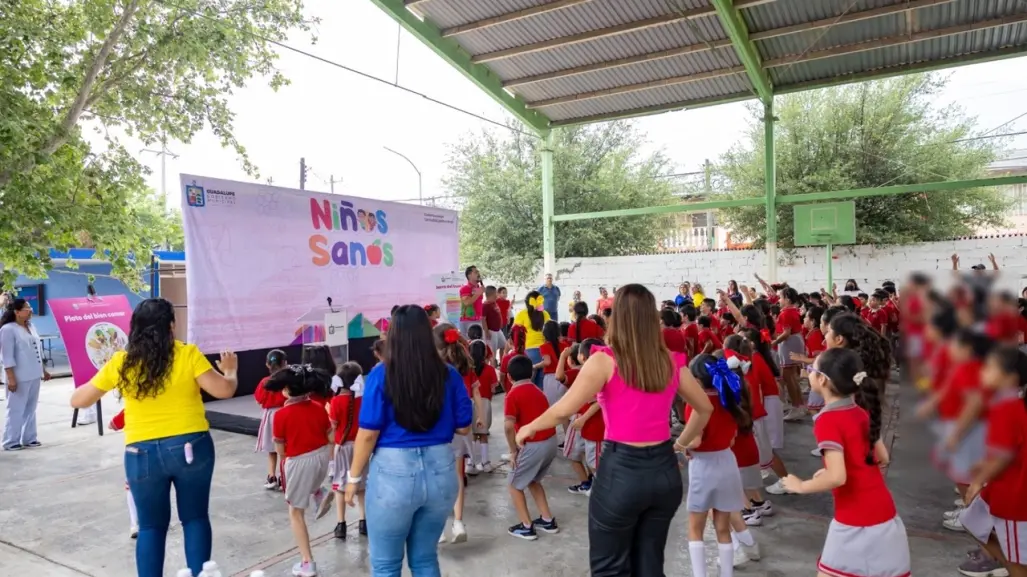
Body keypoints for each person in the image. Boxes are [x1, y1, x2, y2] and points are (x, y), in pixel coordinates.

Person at [515, 284, 715, 576]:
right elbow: (705, 408)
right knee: (650, 564)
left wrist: (529, 428)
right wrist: (680, 444)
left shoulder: (604, 361)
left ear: (616, 317)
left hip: (621, 472)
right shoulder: (670, 362)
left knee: (610, 568)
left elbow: (563, 409)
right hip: (664, 474)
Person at [70, 298, 239, 577]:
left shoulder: (121, 362)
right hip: (191, 447)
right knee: (195, 518)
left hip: (141, 454)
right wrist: (230, 371)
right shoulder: (187, 354)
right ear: (171, 325)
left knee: (150, 527)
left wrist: (100, 378)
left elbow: (78, 400)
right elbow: (224, 390)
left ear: (135, 328)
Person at [344, 305, 472, 576]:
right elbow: (463, 428)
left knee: (386, 565)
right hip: (441, 472)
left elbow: (368, 434)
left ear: (394, 336)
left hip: (393, 476)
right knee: (425, 560)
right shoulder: (449, 374)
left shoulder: (381, 374)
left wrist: (353, 479)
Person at [782, 347, 910, 577]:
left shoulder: (827, 420)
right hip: (884, 513)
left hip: (855, 519)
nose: (808, 373)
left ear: (821, 379)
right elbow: (882, 458)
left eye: (811, 369)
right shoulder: (860, 412)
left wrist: (800, 486)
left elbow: (838, 477)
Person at [959, 346, 1027, 577]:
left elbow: (1003, 455)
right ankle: (1003, 561)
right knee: (972, 522)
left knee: (1019, 564)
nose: (983, 372)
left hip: (1013, 497)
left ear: (1010, 377)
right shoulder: (1006, 403)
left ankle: (1009, 565)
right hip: (1001, 488)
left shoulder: (1007, 407)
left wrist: (977, 481)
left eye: (990, 368)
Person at [684, 354, 753, 577]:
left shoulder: (697, 404)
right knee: (722, 528)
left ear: (696, 379)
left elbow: (695, 440)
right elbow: (731, 439)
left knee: (696, 528)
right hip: (726, 462)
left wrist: (679, 445)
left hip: (703, 466)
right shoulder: (730, 399)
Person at [265, 365, 336, 576]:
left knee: (295, 512)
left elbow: (280, 450)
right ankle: (318, 491)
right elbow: (331, 436)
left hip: (298, 461)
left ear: (286, 389)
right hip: (322, 456)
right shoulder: (317, 406)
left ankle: (307, 562)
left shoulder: (281, 415)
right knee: (311, 479)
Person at [503, 355, 560, 540]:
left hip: (534, 445)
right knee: (533, 480)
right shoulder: (538, 390)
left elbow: (508, 426)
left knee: (513, 485)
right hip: (551, 441)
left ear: (509, 377)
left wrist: (513, 451)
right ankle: (547, 519)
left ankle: (527, 526)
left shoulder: (512, 395)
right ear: (532, 372)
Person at [436, 325, 482, 541]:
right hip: (460, 429)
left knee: (436, 479)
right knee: (457, 476)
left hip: (437, 433)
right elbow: (474, 394)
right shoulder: (464, 365)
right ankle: (458, 522)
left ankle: (439, 527)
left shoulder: (433, 371)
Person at [2, 298, 51, 450]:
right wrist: (11, 378)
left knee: (31, 408)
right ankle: (10, 441)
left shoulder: (31, 326)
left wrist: (43, 370)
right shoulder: (8, 329)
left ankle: (29, 438)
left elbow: (37, 349)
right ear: (17, 312)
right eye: (26, 308)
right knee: (16, 408)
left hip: (34, 373)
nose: (30, 310)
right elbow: (6, 356)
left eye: (29, 307)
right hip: (18, 376)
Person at [330, 361, 366, 541]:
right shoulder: (362, 400)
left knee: (339, 485)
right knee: (360, 485)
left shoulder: (336, 401)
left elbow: (333, 426)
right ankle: (363, 521)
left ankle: (341, 524)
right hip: (360, 446)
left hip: (342, 447)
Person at [255, 349, 289, 490]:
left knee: (271, 449)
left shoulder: (264, 382)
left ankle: (271, 477)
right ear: (285, 363)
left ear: (267, 364)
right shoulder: (288, 381)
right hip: (285, 414)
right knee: (284, 449)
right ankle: (284, 478)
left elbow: (259, 400)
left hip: (270, 417)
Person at [773, 287, 807, 422]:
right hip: (795, 340)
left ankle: (796, 406)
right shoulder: (793, 310)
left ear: (787, 299)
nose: (779, 300)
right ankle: (799, 405)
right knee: (792, 375)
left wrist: (773, 342)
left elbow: (786, 333)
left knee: (788, 376)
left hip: (789, 342)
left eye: (780, 297)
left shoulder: (785, 313)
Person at [469, 339, 498, 472]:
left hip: (470, 402)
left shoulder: (468, 370)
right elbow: (493, 389)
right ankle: (485, 463)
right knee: (484, 434)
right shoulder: (490, 370)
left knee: (472, 434)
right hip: (485, 402)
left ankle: (471, 464)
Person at [513, 291, 551, 389]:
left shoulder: (522, 314)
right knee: (541, 384)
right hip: (544, 351)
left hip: (528, 350)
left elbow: (515, 332)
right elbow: (550, 331)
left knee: (528, 383)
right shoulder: (545, 314)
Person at [481, 286, 507, 360]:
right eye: (496, 293)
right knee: (492, 353)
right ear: (491, 294)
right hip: (491, 331)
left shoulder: (494, 302)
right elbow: (483, 319)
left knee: (504, 345)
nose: (497, 295)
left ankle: (502, 363)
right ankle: (493, 368)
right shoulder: (485, 305)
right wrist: (486, 331)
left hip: (498, 330)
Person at [459, 265, 485, 336]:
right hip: (468, 321)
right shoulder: (465, 288)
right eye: (476, 272)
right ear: (469, 275)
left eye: (478, 272)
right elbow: (467, 302)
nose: (478, 273)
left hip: (478, 320)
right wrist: (478, 293)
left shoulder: (478, 288)